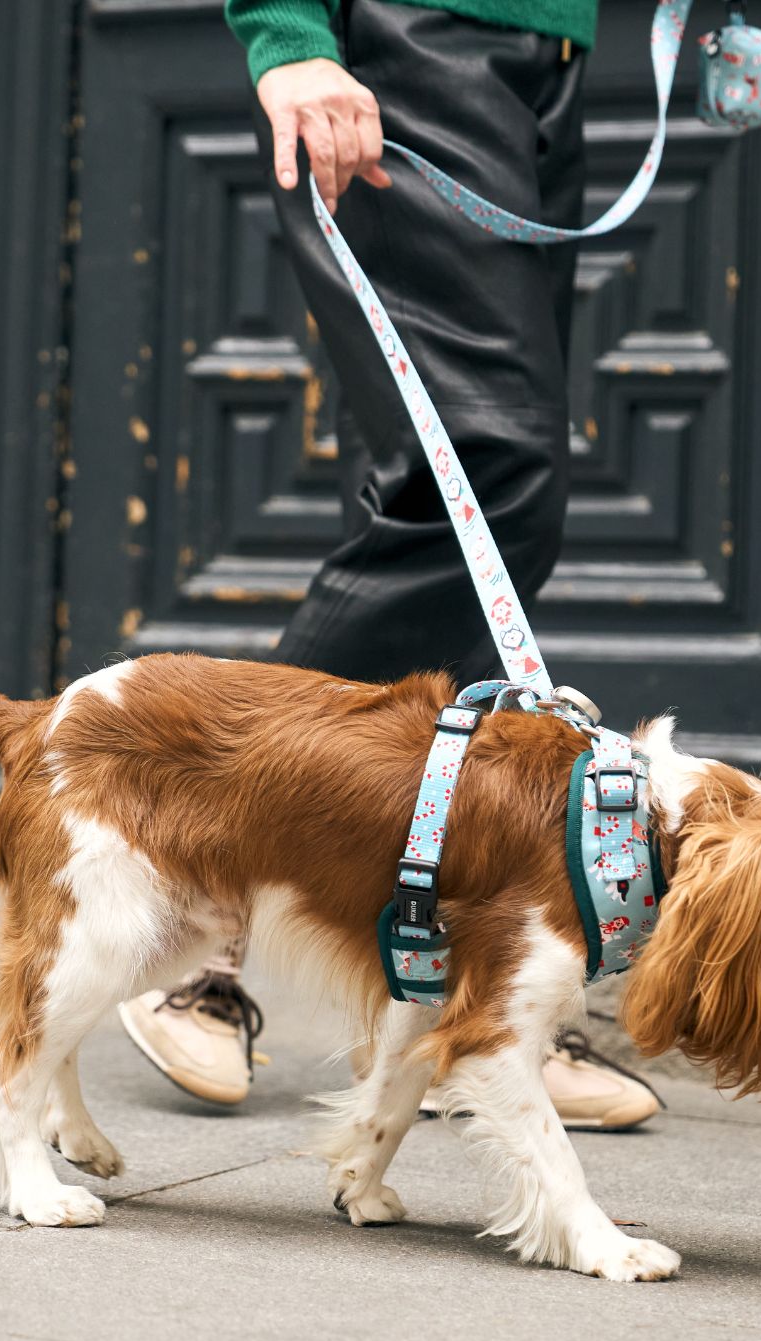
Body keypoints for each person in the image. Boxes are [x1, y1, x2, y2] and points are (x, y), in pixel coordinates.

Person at [118, 0, 662, 1130]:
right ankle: (203, 934)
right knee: (481, 473)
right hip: (415, 48)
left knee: (452, 505)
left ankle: (473, 994)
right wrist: (288, 34)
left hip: (543, 59)